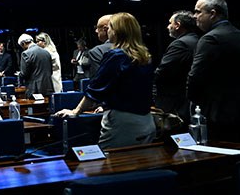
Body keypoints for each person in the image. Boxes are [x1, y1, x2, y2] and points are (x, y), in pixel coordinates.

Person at [55, 12, 156, 149]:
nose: (108, 31)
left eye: (110, 28)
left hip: (122, 121)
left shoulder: (117, 55)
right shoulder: (145, 56)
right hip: (146, 119)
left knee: (108, 162)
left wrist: (75, 111)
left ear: (118, 31)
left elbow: (96, 88)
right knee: (139, 163)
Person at [188, 0, 240, 142]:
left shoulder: (210, 38)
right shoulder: (237, 34)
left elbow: (195, 76)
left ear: (212, 14)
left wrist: (193, 103)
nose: (194, 16)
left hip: (216, 113)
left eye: (198, 12)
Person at [153, 10, 198, 123]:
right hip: (188, 97)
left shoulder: (180, 44)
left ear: (177, 25)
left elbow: (163, 71)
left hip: (174, 100)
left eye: (170, 23)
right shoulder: (197, 40)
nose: (168, 27)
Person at [19, 34, 54, 99]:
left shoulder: (26, 53)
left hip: (34, 90)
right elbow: (50, 71)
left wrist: (19, 74)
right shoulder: (46, 52)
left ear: (23, 43)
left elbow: (24, 73)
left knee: (34, 109)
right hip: (48, 87)